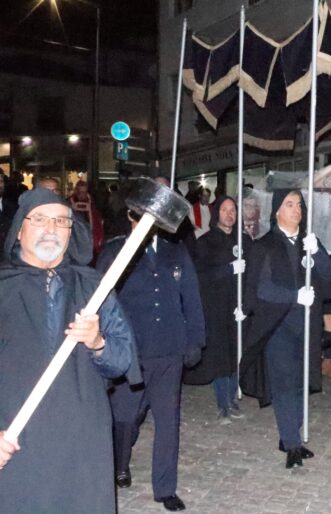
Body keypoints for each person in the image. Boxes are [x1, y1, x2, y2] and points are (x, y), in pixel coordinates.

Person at [0, 188, 134, 513]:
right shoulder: (3, 288)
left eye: (61, 221)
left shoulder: (93, 287)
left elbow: (122, 361)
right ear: (20, 228)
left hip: (82, 440)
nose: (51, 229)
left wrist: (98, 342)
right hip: (17, 439)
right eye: (41, 220)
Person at [97, 203, 205, 512]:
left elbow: (192, 298)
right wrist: (104, 344)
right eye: (143, 216)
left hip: (169, 350)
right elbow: (100, 301)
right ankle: (120, 462)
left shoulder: (175, 251)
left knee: (168, 422)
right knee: (125, 418)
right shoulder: (116, 252)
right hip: (131, 353)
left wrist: (195, 339)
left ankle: (165, 488)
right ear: (131, 216)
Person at [240, 189, 331, 468]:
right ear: (277, 211)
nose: (297, 210)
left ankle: (289, 434)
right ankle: (293, 444)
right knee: (283, 383)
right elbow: (262, 288)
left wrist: (317, 252)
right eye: (289, 204)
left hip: (306, 324)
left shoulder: (310, 242)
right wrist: (294, 296)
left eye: (299, 205)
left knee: (300, 383)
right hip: (278, 325)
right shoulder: (265, 245)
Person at [184, 196, 246, 424]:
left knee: (236, 353)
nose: (229, 214)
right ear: (216, 213)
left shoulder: (242, 240)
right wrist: (227, 270)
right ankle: (223, 404)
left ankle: (232, 398)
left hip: (237, 306)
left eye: (233, 210)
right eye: (225, 209)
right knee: (221, 355)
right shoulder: (206, 242)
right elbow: (201, 276)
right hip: (217, 306)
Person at [69, 179, 105, 257]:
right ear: (76, 191)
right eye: (80, 192)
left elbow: (97, 220)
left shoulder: (92, 203)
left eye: (84, 192)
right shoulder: (69, 202)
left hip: (90, 237)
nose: (82, 195)